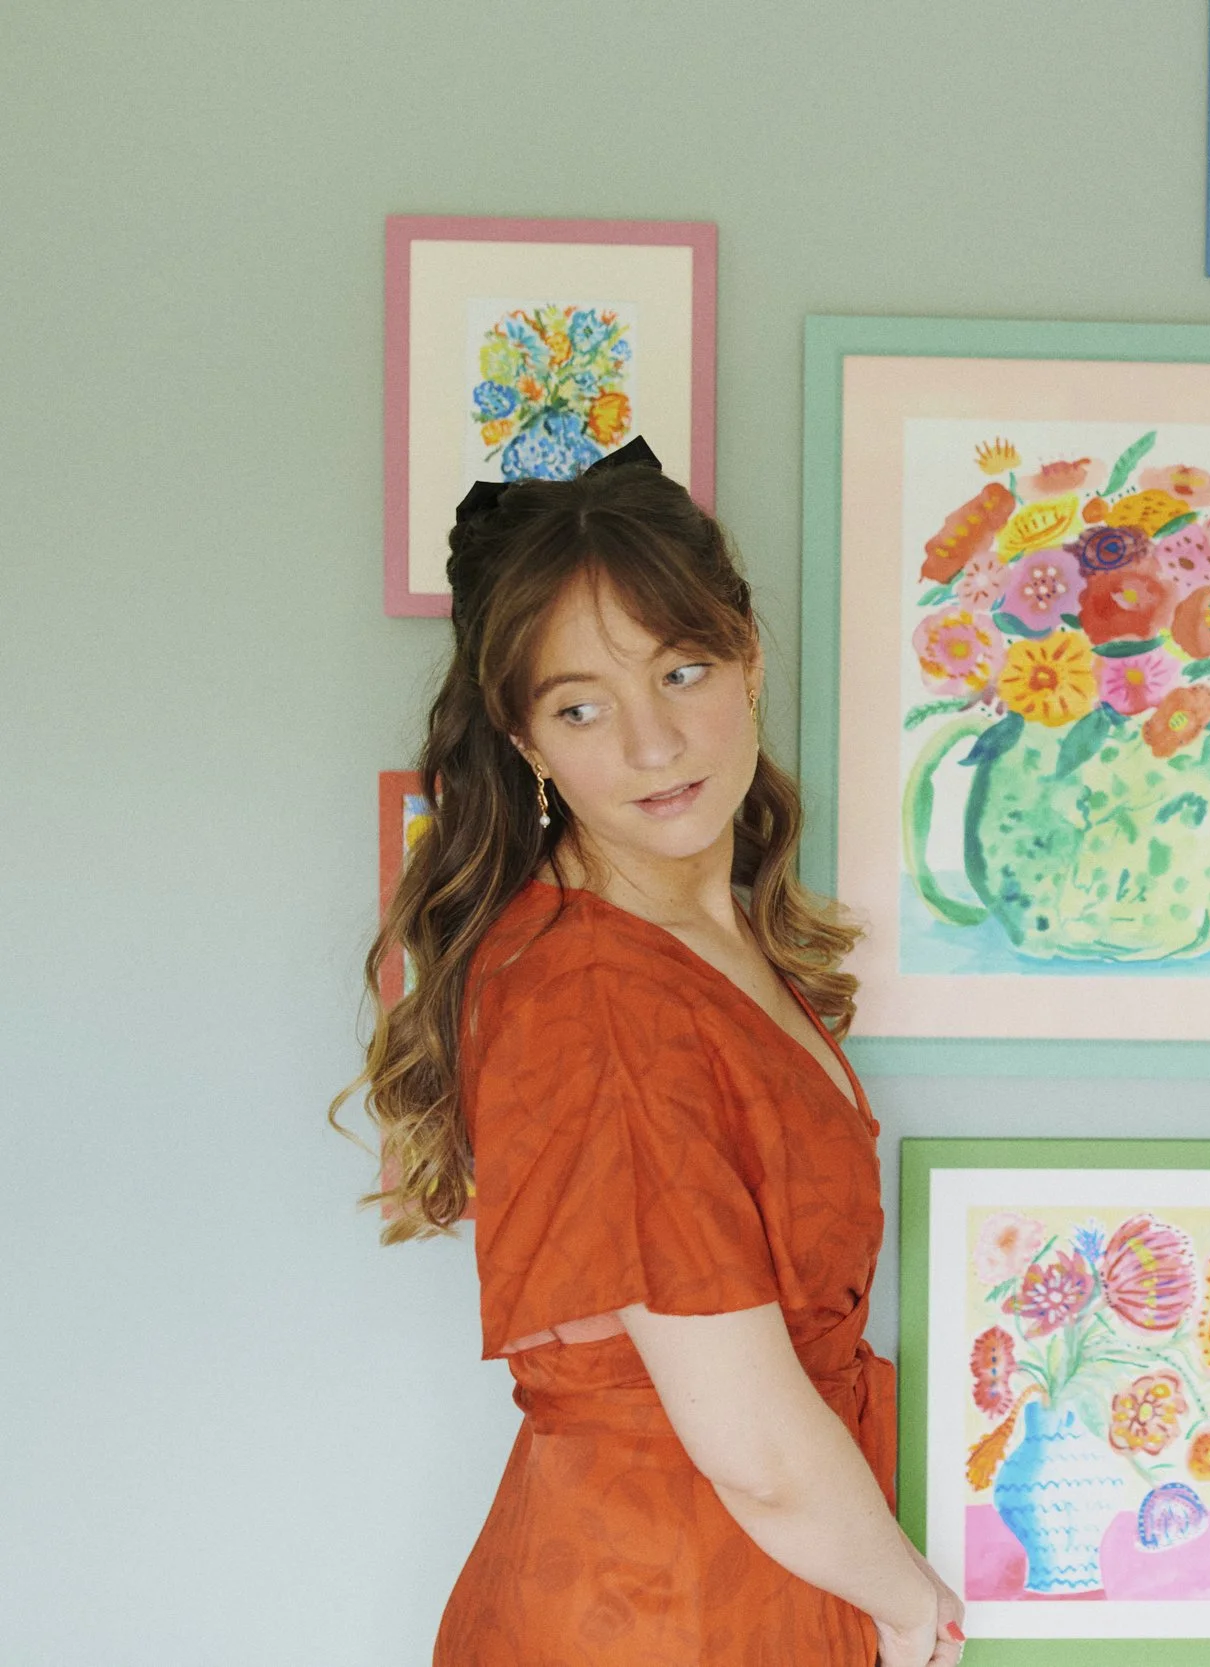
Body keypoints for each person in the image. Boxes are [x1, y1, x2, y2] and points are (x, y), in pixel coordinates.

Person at [333, 442, 966, 1665]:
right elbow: (754, 1443)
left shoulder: (701, 942)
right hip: (668, 1604)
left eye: (683, 671)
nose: (653, 741)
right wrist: (908, 1602)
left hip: (740, 1576)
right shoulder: (594, 992)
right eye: (582, 706)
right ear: (527, 741)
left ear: (749, 658)